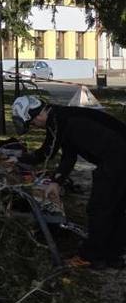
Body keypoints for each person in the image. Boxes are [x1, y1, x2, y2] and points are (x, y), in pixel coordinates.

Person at [12, 95, 126, 268]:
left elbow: (46, 153)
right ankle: (112, 256)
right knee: (116, 208)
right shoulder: (62, 117)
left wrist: (17, 159)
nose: (36, 126)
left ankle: (90, 256)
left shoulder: (58, 122)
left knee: (99, 208)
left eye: (33, 123)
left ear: (35, 115)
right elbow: (69, 154)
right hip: (117, 158)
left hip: (117, 160)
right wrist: (57, 181)